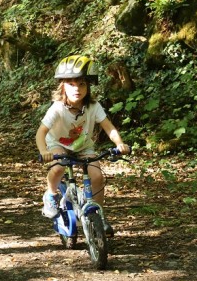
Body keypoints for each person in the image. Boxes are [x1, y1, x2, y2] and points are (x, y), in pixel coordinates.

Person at [36, 55, 130, 236]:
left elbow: (109, 127)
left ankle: (99, 216)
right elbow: (41, 132)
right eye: (71, 84)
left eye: (82, 84)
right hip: (58, 145)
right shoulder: (57, 108)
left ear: (89, 86)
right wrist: (43, 151)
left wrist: (119, 144)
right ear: (62, 85)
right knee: (58, 168)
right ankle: (51, 194)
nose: (77, 89)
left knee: (97, 177)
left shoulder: (93, 106)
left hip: (84, 147)